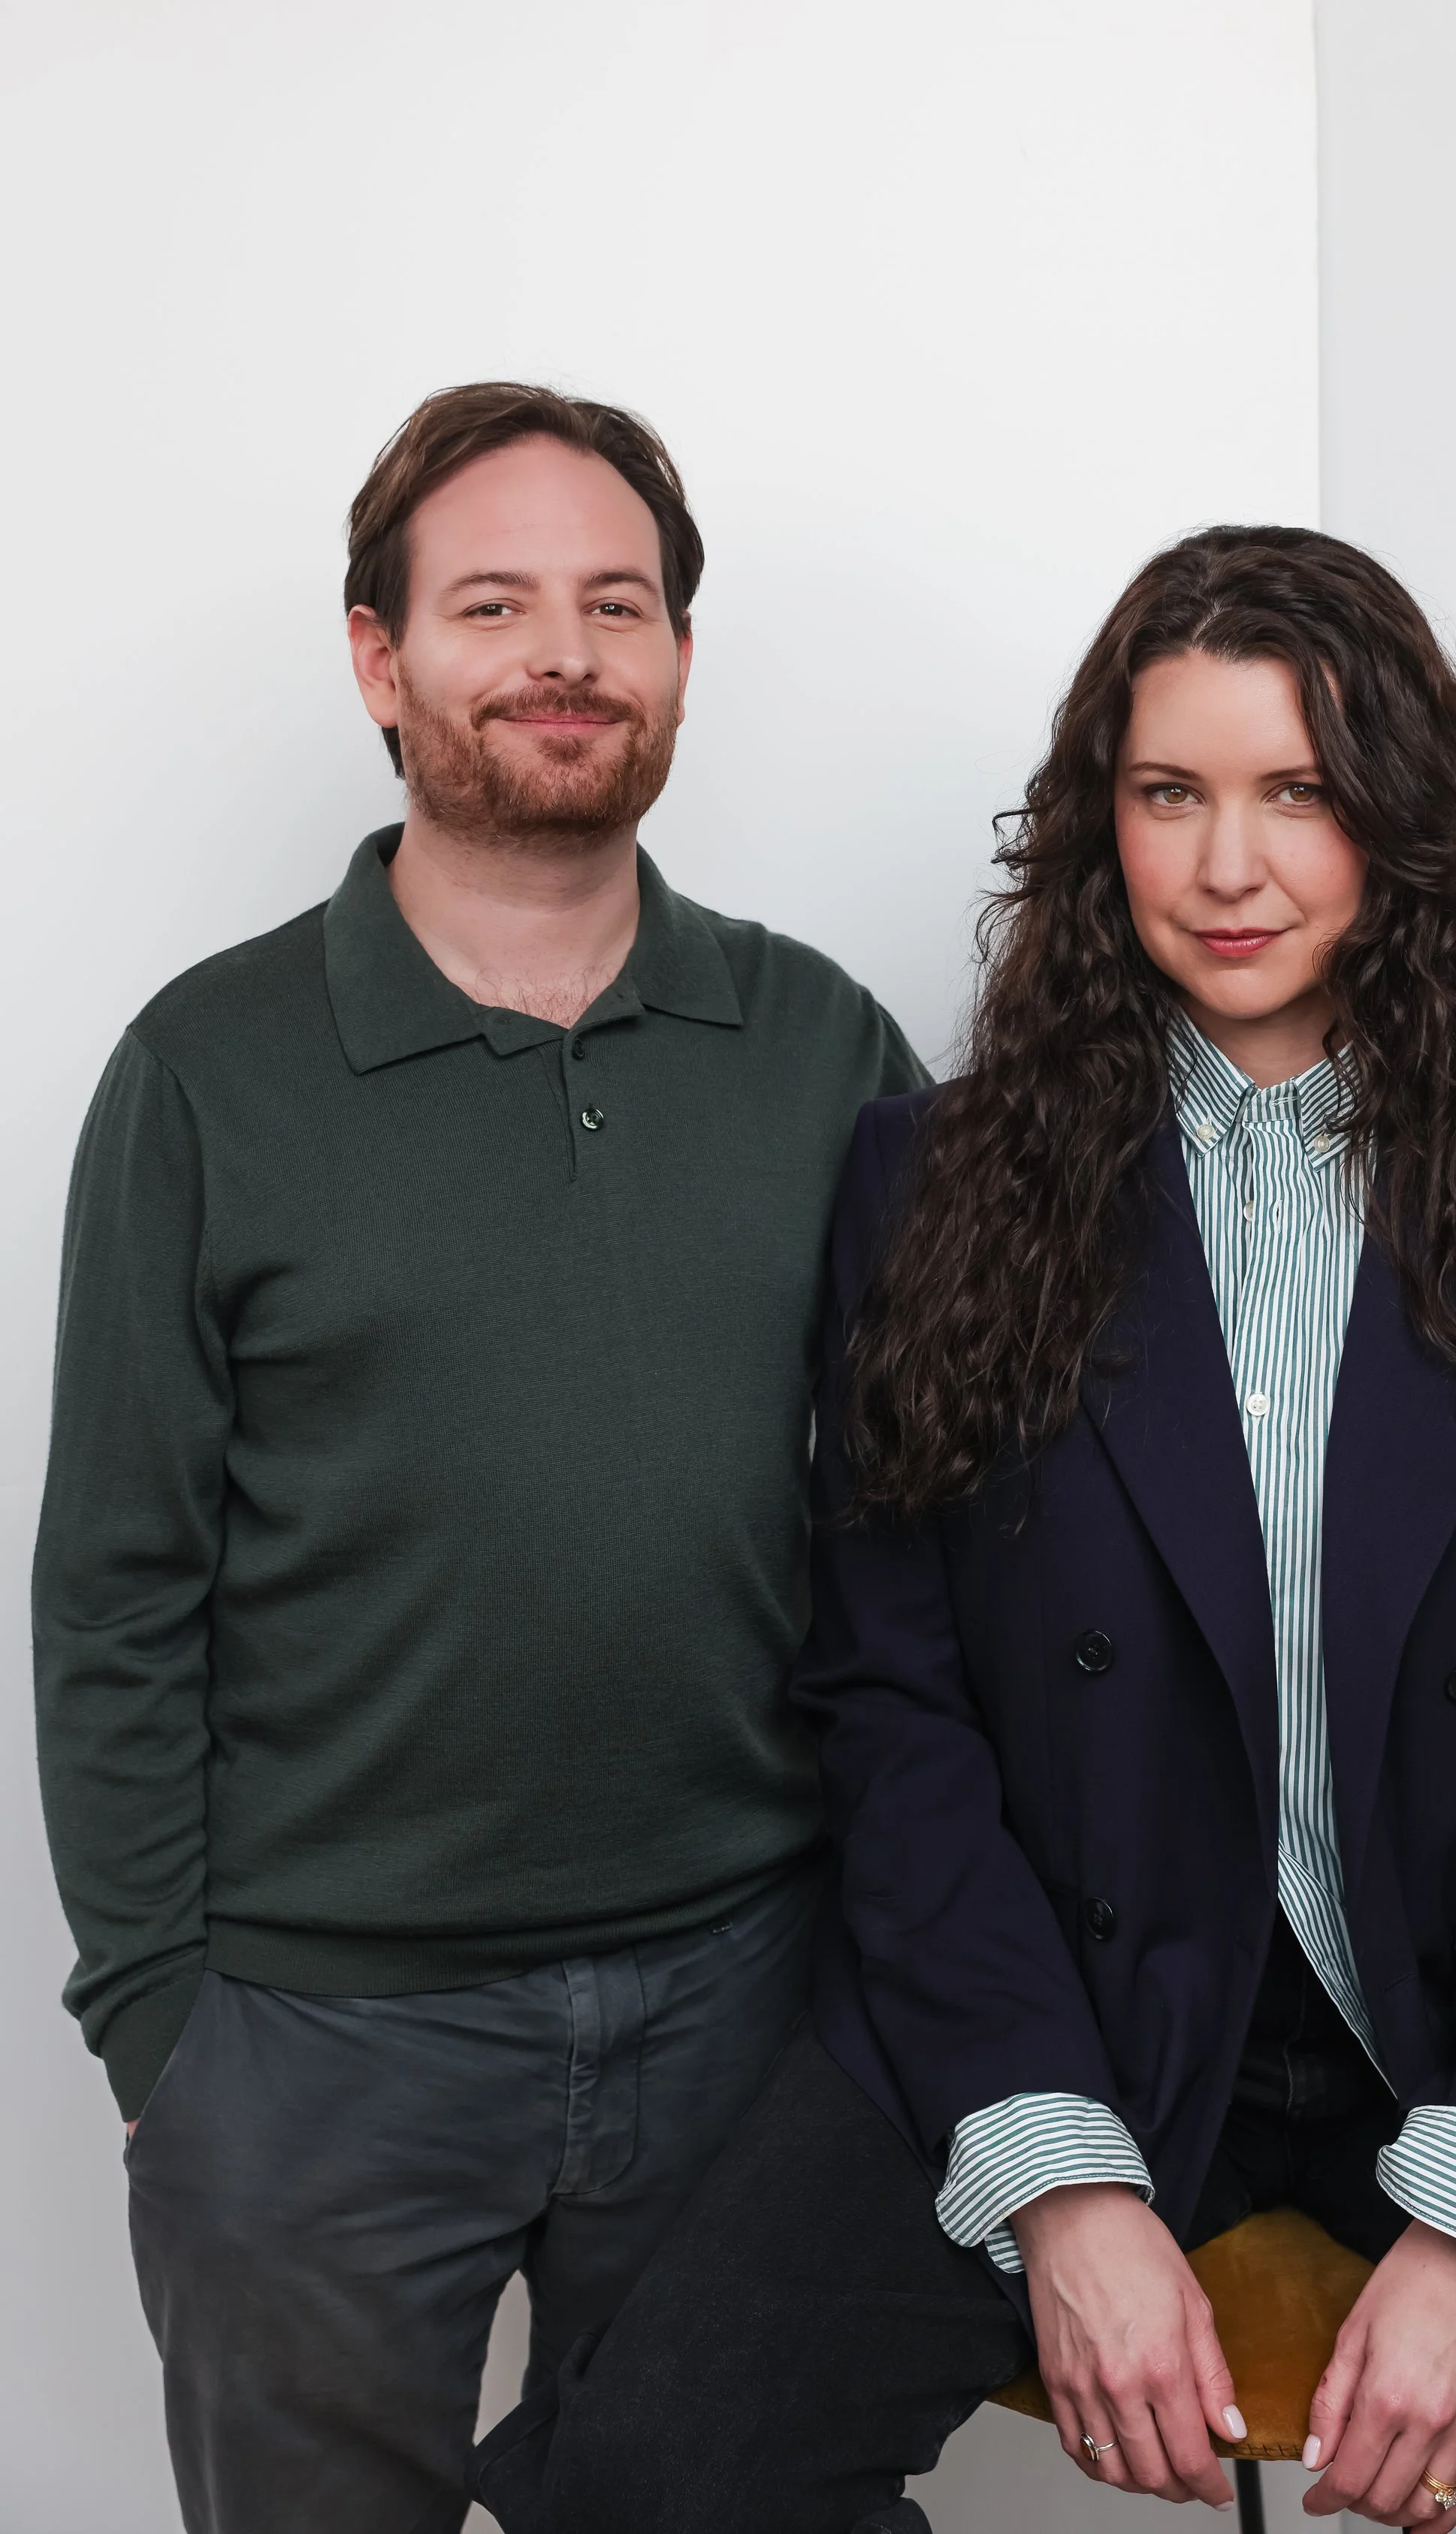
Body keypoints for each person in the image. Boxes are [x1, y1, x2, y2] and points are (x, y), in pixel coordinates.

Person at [470, 525, 1456, 2534]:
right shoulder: (930, 1185)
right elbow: (895, 1712)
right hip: (1074, 1980)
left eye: (1298, 791)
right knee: (647, 2472)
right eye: (1170, 793)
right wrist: (1052, 2174)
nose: (1229, 866)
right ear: (1096, 822)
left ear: (1402, 819)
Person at [32, 380, 924, 2534]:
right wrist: (173, 2036)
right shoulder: (205, 1068)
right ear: (381, 656)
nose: (564, 654)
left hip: (745, 1995)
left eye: (619, 604)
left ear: (681, 661)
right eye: (494, 602)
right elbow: (116, 1585)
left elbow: (935, 1527)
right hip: (328, 2041)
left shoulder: (821, 1048)